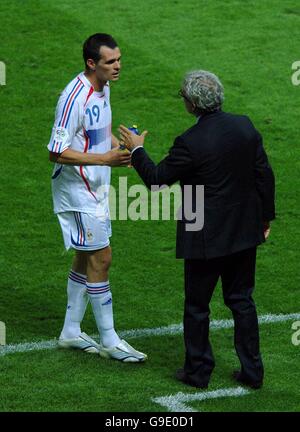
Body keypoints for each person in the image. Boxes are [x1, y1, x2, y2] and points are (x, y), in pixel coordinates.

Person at [119, 70, 275, 386]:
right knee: (242, 301)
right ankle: (253, 371)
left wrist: (137, 150)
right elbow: (264, 175)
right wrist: (264, 219)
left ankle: (198, 371)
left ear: (191, 104)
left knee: (197, 306)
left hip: (203, 233)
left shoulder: (190, 142)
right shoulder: (244, 125)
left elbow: (157, 180)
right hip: (244, 231)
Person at [47, 33, 147, 363]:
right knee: (101, 257)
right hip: (76, 191)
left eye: (119, 59)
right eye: (110, 61)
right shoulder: (73, 97)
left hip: (97, 187)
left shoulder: (104, 87)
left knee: (85, 255)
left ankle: (71, 331)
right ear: (92, 63)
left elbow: (92, 138)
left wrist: (121, 150)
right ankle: (109, 340)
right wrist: (104, 160)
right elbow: (57, 151)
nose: (117, 66)